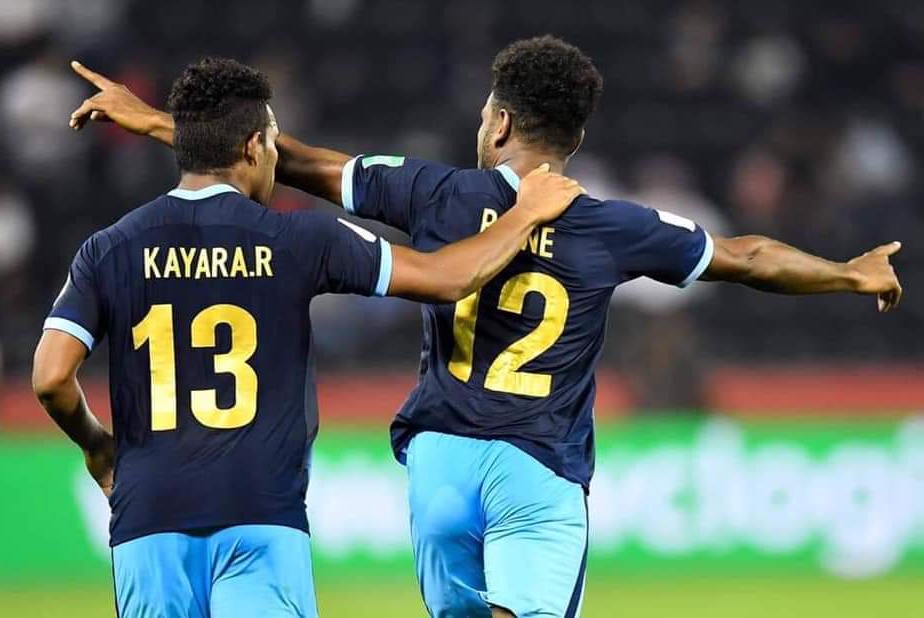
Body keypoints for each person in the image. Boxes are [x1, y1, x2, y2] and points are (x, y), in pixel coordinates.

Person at [68, 36, 903, 618]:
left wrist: (161, 125)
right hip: (536, 464)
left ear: (498, 123)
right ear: (573, 138)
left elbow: (304, 164)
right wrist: (846, 272)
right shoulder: (614, 225)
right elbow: (748, 256)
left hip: (440, 464)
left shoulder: (434, 192)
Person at [33, 57, 584, 618]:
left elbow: (51, 378)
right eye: (273, 142)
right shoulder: (299, 238)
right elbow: (448, 278)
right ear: (254, 146)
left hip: (145, 521)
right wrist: (523, 215)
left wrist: (97, 446)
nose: (278, 157)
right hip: (261, 518)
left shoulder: (107, 248)